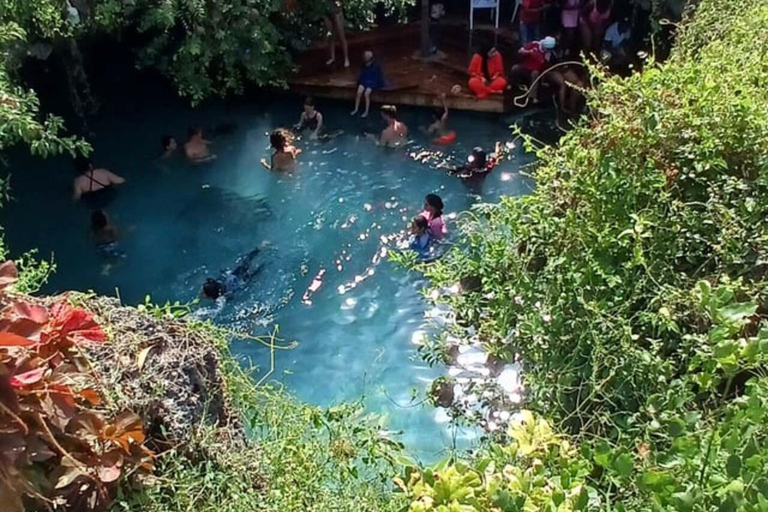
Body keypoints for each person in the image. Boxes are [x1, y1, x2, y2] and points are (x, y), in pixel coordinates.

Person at [509, 36, 557, 104]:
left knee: (535, 73)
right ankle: (511, 84)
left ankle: (532, 97)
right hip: (524, 67)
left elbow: (545, 67)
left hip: (535, 71)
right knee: (515, 68)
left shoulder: (548, 54)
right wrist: (528, 52)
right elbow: (520, 51)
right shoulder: (534, 44)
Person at [351, 51, 385, 117]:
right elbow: (361, 75)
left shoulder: (376, 66)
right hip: (364, 80)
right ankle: (356, 109)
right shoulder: (363, 65)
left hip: (372, 82)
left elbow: (377, 76)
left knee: (367, 93)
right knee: (359, 92)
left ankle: (366, 111)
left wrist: (376, 83)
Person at [323, 0, 349, 67]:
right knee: (331, 35)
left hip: (337, 11)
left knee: (341, 36)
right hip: (326, 11)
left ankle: (346, 58)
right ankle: (332, 57)